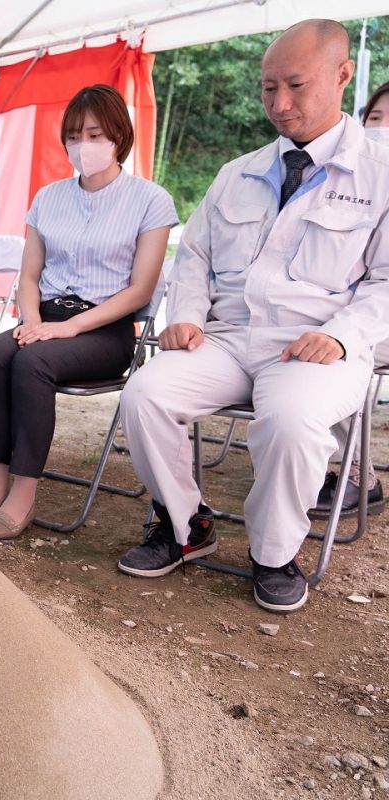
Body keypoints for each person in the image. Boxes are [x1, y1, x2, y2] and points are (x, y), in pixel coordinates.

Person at [116, 20, 389, 614]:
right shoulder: (236, 172)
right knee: (144, 393)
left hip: (317, 346)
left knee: (290, 419)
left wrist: (342, 335)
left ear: (343, 76)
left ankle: (273, 555)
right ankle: (185, 526)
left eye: (296, 85)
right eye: (268, 88)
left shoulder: (381, 173)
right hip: (230, 337)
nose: (279, 104)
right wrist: (185, 314)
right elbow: (195, 258)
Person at [0, 84, 175, 541]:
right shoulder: (48, 197)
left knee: (33, 362)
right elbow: (30, 276)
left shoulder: (150, 199)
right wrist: (33, 321)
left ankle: (24, 494)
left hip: (104, 327)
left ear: (119, 135)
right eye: (74, 136)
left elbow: (140, 291)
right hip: (46, 317)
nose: (84, 146)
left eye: (95, 134)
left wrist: (67, 329)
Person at [311, 80, 389, 516]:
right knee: (317, 331)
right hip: (352, 310)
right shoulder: (352, 178)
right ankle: (309, 457)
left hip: (375, 321)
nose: (382, 129)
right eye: (376, 118)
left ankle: (361, 474)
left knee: (333, 345)